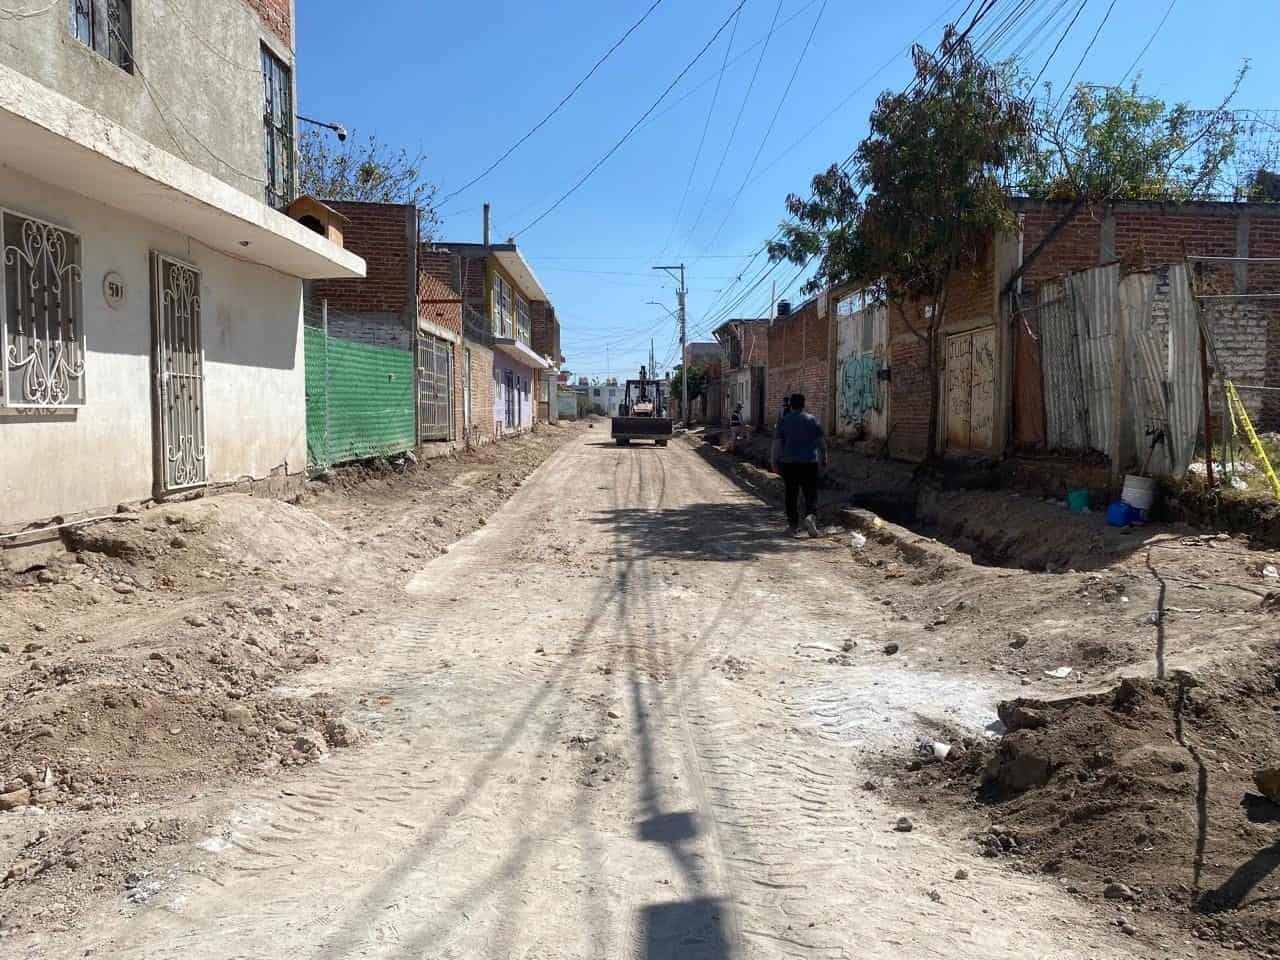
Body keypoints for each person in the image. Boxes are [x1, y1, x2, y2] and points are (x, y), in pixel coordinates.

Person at [771, 393, 826, 538]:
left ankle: (792, 526)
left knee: (791, 494)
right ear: (803, 405)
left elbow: (777, 443)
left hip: (789, 464)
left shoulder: (783, 421)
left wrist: (774, 461)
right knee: (810, 493)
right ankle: (810, 516)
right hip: (809, 463)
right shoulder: (812, 420)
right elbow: (821, 442)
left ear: (790, 405)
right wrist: (824, 458)